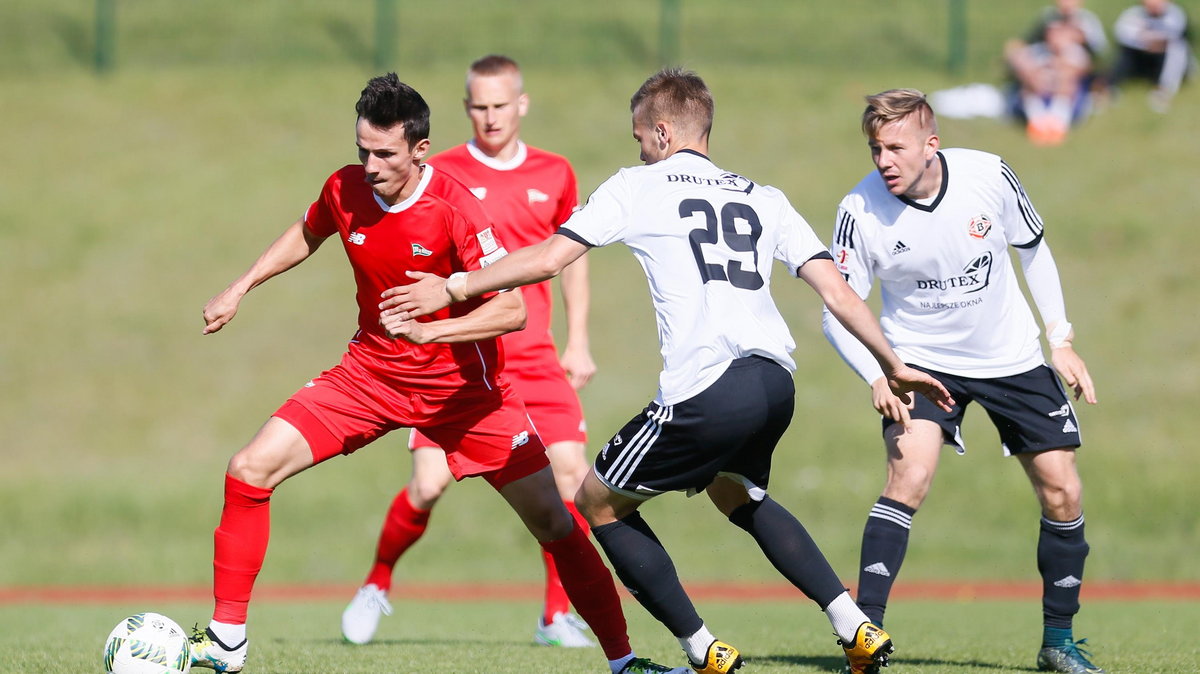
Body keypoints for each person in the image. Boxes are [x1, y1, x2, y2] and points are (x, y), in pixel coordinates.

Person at [381, 67, 954, 674]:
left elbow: (550, 258)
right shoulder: (766, 196)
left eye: (639, 139)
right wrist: (893, 364)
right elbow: (837, 293)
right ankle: (854, 625)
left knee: (596, 502)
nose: (639, 150)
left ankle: (702, 649)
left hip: (707, 387)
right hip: (774, 381)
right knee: (737, 492)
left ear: (660, 132)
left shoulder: (639, 185)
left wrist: (456, 284)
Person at [190, 72, 687, 674]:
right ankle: (226, 644)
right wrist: (240, 287)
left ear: (419, 148)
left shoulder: (455, 207)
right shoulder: (344, 188)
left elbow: (511, 309)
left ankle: (623, 661)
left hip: (466, 397)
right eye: (362, 150)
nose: (369, 165)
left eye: (384, 153)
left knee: (558, 519)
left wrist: (434, 327)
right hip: (367, 377)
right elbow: (308, 230)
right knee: (249, 469)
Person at [822, 89, 1101, 674]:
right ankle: (864, 642)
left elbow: (1033, 251)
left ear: (932, 143)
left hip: (1010, 357)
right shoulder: (860, 208)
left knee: (1063, 490)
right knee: (909, 476)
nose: (884, 161)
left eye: (896, 147)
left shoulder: (989, 175)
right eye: (875, 148)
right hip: (919, 364)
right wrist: (878, 372)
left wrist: (1062, 338)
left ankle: (1059, 642)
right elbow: (837, 306)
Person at [340, 54, 600, 649]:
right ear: (464, 110)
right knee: (428, 484)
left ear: (522, 104)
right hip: (459, 359)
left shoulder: (556, 172)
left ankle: (554, 615)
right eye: (478, 107)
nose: (490, 117)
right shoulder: (438, 170)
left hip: (533, 352)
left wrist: (577, 339)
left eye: (500, 105)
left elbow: (571, 262)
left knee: (569, 475)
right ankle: (377, 582)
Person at [1004, 0, 1109, 145]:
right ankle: (1038, 122)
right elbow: (1027, 42)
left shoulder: (1087, 22)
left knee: (1066, 71)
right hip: (1046, 63)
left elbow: (1097, 56)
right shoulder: (1048, 17)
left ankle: (1058, 123)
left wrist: (1076, 41)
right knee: (1029, 69)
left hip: (1072, 68)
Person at [1112, 0, 1194, 112]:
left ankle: (1164, 89)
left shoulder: (1176, 14)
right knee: (1125, 54)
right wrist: (1146, 43)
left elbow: (1175, 37)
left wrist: (1152, 41)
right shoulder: (1132, 15)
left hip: (1168, 59)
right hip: (1141, 58)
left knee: (1177, 48)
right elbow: (1123, 35)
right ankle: (1109, 87)